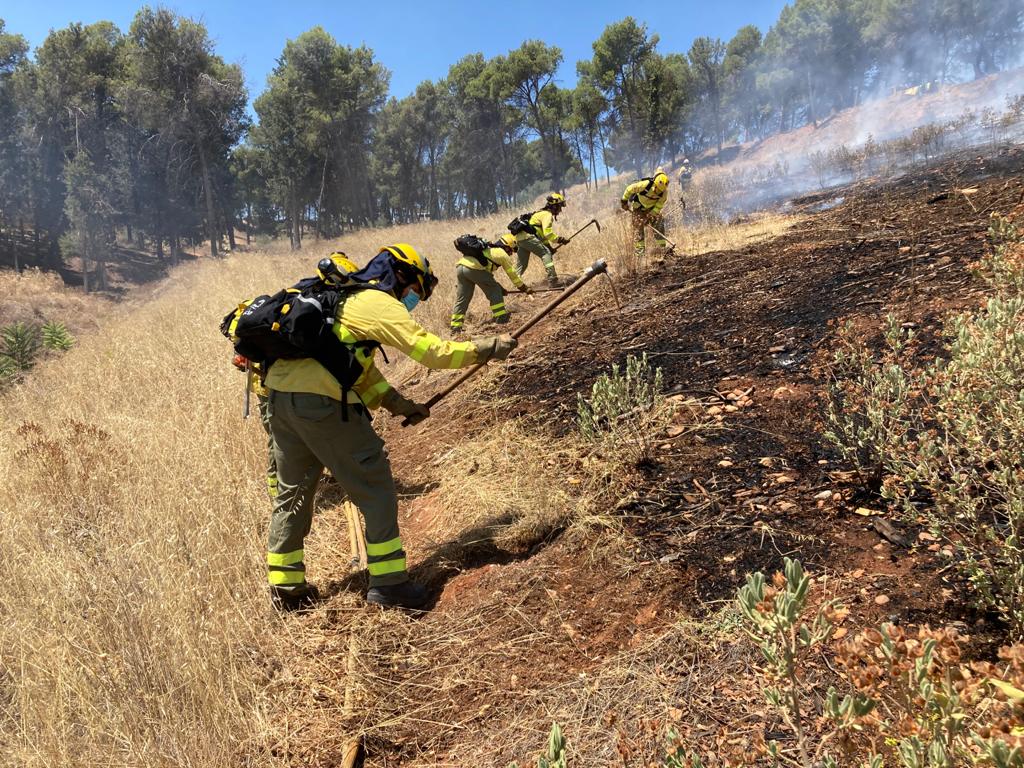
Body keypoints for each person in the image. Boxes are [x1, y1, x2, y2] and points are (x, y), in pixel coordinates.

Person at [262, 244, 517, 611]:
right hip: (323, 405)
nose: (416, 299)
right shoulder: (376, 302)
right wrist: (485, 348)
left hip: (281, 403)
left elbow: (355, 368)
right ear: (400, 275)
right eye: (417, 290)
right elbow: (432, 352)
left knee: (294, 493)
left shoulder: (338, 300)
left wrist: (399, 404)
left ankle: (286, 590)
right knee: (377, 487)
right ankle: (389, 584)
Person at [451, 234, 533, 334]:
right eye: (511, 250)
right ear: (507, 247)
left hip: (461, 268)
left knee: (462, 299)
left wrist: (501, 288)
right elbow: (512, 274)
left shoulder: (488, 250)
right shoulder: (501, 254)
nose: (511, 253)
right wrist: (523, 287)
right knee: (494, 291)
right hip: (474, 269)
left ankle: (455, 328)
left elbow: (487, 279)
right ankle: (501, 318)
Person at [514, 193, 569, 288]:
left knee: (522, 264)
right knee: (546, 254)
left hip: (520, 239)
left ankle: (515, 283)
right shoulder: (547, 215)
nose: (560, 210)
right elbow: (547, 233)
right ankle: (553, 280)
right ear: (555, 206)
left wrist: (549, 247)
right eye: (560, 207)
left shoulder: (539, 213)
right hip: (528, 237)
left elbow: (540, 235)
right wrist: (559, 240)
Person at [621, 168, 670, 259]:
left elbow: (658, 206)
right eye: (656, 188)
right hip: (638, 208)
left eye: (660, 190)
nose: (657, 191)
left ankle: (661, 249)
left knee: (659, 224)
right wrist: (624, 201)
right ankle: (640, 255)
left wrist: (650, 216)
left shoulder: (664, 193)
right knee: (638, 229)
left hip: (651, 210)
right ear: (654, 183)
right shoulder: (645, 184)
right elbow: (629, 189)